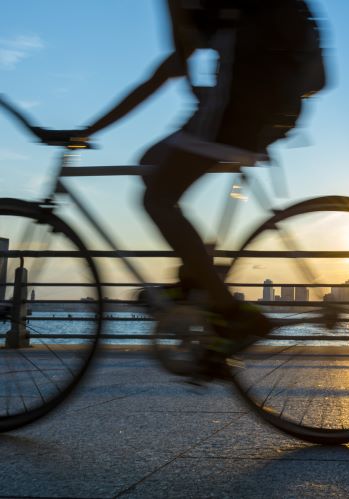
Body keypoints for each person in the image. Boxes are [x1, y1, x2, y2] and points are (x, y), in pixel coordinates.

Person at [34, 1, 327, 344]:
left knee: (157, 199)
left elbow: (173, 63)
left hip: (238, 107)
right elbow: (172, 67)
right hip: (269, 108)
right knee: (152, 162)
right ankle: (195, 279)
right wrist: (90, 130)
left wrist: (88, 131)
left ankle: (229, 313)